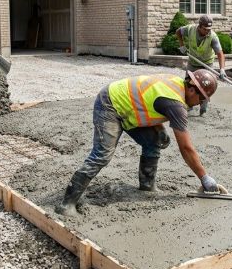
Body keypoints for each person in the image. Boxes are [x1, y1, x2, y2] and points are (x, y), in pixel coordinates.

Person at [56, 69, 221, 217]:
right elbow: (186, 148)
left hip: (129, 107)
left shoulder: (177, 84)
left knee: (156, 140)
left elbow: (149, 100)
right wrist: (204, 178)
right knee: (102, 155)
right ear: (191, 89)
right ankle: (67, 204)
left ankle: (147, 186)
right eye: (202, 98)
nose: (201, 103)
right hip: (110, 103)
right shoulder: (176, 104)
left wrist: (158, 128)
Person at [176, 15, 226, 115]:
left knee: (206, 86)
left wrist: (222, 69)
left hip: (206, 64)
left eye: (209, 29)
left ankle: (203, 109)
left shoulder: (213, 37)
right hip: (193, 62)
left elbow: (220, 54)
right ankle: (189, 105)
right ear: (199, 26)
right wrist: (182, 45)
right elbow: (178, 32)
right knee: (188, 84)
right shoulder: (190, 29)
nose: (207, 31)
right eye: (205, 29)